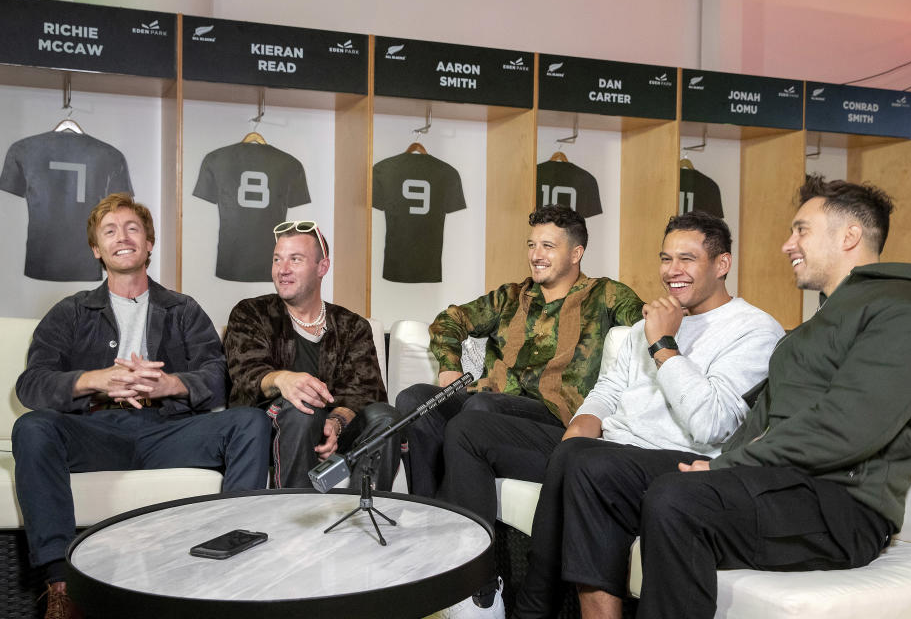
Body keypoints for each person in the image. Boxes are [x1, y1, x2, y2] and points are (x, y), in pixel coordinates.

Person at [557, 176, 911, 619]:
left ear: (850, 236)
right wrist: (718, 463)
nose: (788, 244)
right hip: (780, 482)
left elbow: (848, 429)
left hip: (845, 507)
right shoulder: (809, 331)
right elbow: (758, 422)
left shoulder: (906, 311)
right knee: (595, 466)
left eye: (801, 230)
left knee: (677, 499)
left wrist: (723, 467)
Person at [438, 211, 784, 618]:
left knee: (582, 459)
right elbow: (609, 388)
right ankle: (474, 585)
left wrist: (665, 347)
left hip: (676, 458)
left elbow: (711, 425)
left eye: (687, 259)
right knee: (469, 427)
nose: (672, 271)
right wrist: (585, 420)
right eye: (665, 258)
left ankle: (534, 605)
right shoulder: (651, 322)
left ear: (721, 264)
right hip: (609, 445)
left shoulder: (754, 329)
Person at [12, 193, 271, 619]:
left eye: (132, 228)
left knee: (250, 422)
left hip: (167, 431)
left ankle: (232, 569)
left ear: (149, 243)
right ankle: (62, 587)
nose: (123, 238)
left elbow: (217, 378)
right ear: (97, 249)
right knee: (33, 428)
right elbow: (32, 385)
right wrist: (95, 381)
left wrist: (170, 383)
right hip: (98, 432)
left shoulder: (183, 309)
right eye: (109, 231)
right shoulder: (71, 312)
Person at [395, 204, 643, 617]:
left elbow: (648, 332)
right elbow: (449, 320)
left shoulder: (608, 295)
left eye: (548, 245)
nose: (536, 254)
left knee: (478, 406)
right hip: (486, 406)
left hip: (549, 420)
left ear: (576, 253)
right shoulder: (512, 296)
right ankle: (434, 531)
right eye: (532, 244)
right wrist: (449, 365)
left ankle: (476, 568)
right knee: (414, 401)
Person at [224, 220, 399, 490]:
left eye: (295, 259)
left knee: (385, 417)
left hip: (335, 430)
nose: (282, 270)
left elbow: (367, 392)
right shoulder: (251, 313)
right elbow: (245, 374)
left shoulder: (352, 326)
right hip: (271, 426)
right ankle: (295, 518)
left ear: (322, 267)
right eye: (277, 259)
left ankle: (362, 515)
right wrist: (282, 379)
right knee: (301, 407)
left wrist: (337, 422)